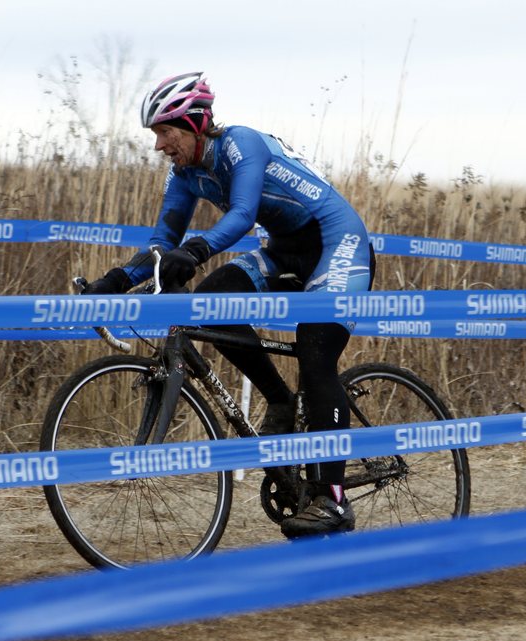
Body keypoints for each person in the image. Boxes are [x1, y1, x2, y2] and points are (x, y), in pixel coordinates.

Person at [84, 72, 376, 538]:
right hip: (285, 249)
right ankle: (280, 400)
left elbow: (241, 215)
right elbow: (163, 241)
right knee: (213, 301)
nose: (160, 145)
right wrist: (116, 279)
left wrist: (197, 251)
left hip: (336, 243)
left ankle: (332, 500)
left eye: (165, 131)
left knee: (315, 352)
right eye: (156, 135)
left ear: (195, 123)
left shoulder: (241, 145)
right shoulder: (184, 174)